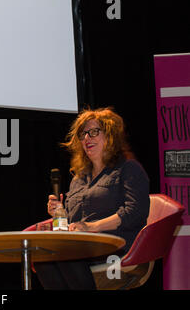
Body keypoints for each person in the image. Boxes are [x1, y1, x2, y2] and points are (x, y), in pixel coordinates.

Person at [34, 107, 150, 290]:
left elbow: (135, 212)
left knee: (66, 254)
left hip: (117, 249)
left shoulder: (128, 168)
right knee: (43, 258)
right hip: (83, 249)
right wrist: (58, 213)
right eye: (83, 134)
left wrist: (92, 227)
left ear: (110, 136)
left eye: (94, 132)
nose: (87, 138)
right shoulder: (78, 178)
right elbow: (74, 223)